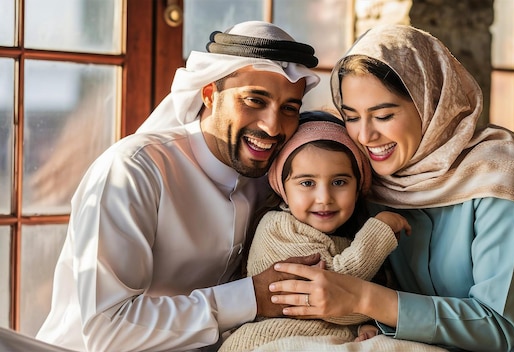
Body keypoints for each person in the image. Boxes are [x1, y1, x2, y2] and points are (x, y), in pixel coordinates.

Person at [266, 24, 514, 351]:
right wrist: (373, 323)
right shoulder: (375, 182)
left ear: (431, 104)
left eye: (385, 115)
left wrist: (363, 299)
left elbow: (496, 327)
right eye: (352, 116)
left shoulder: (498, 171)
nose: (365, 135)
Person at [35, 21, 321, 352]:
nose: (272, 125)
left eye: (289, 108)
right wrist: (252, 297)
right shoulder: (134, 170)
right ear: (210, 96)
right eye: (254, 100)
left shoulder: (271, 177)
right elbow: (106, 330)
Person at [217, 110, 411, 351]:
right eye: (307, 183)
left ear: (358, 185)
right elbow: (333, 289)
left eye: (339, 182)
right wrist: (380, 231)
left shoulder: (351, 235)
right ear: (282, 188)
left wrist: (366, 325)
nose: (324, 198)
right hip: (271, 340)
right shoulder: (278, 227)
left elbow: (362, 300)